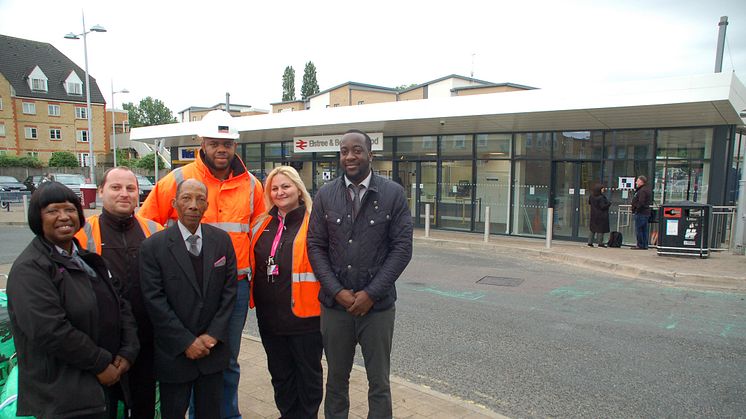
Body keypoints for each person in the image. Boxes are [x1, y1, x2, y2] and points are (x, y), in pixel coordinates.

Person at [139, 109, 265, 418]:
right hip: (184, 285)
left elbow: (261, 234)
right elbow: (146, 225)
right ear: (202, 143)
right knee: (187, 355)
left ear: (235, 145)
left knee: (226, 360)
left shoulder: (251, 185)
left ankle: (225, 414)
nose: (221, 149)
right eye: (214, 143)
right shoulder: (179, 180)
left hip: (232, 288)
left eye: (228, 143)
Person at [7, 181, 139, 419]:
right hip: (63, 397)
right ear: (37, 218)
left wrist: (128, 351)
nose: (63, 217)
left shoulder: (88, 260)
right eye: (52, 211)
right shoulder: (30, 269)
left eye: (69, 209)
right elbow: (49, 330)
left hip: (104, 388)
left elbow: (120, 304)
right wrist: (100, 363)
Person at [307, 129, 413, 418]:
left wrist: (370, 293)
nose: (350, 156)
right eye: (344, 151)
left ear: (370, 155)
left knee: (379, 382)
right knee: (336, 381)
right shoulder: (326, 195)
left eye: (357, 150)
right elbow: (315, 247)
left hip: (377, 309)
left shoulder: (393, 194)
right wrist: (337, 292)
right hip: (335, 307)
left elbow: (402, 249)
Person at [139, 179, 237, 418]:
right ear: (174, 203)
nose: (193, 205)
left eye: (200, 199)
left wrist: (213, 335)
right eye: (186, 198)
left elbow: (229, 293)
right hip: (174, 354)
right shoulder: (153, 247)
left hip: (212, 353)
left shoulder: (222, 241)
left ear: (207, 204)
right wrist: (185, 342)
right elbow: (154, 300)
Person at [75, 167, 163, 418]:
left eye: (130, 188)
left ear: (138, 194)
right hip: (103, 343)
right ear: (101, 191)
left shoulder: (155, 230)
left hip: (147, 339)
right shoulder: (82, 233)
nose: (124, 194)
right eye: (116, 188)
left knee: (144, 404)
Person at [249, 166, 322, 418]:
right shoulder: (261, 223)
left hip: (305, 317)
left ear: (299, 190)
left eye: (286, 186)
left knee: (308, 377)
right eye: (275, 188)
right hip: (269, 318)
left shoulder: (315, 222)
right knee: (280, 375)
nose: (280, 192)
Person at [631, 175, 653, 250]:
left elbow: (641, 202)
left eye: (637, 180)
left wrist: (636, 209)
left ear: (641, 181)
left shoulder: (642, 190)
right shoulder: (645, 189)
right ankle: (644, 244)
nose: (636, 182)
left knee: (639, 229)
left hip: (641, 213)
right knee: (644, 229)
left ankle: (640, 244)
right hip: (645, 212)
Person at [587, 183, 611, 248]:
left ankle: (590, 242)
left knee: (592, 229)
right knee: (600, 230)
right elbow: (603, 206)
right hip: (601, 215)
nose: (603, 190)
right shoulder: (601, 197)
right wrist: (608, 204)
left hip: (593, 214)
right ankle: (600, 243)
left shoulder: (591, 196)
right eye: (602, 189)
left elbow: (589, 202)